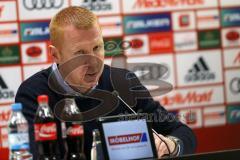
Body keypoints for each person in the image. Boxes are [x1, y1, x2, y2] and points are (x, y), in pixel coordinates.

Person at [15, 6, 197, 160]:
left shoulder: (123, 82)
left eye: (97, 48)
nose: (93, 62)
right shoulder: (35, 93)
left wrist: (169, 145)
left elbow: (183, 133)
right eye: (80, 53)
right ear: (56, 55)